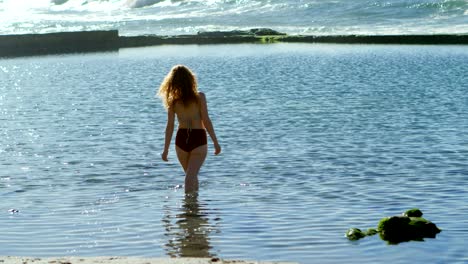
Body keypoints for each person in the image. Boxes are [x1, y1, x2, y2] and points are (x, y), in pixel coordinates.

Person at [158, 65, 221, 193]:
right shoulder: (197, 97)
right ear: (191, 80)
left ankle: (192, 208)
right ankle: (191, 209)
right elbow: (206, 120)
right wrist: (215, 141)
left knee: (190, 176)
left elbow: (170, 126)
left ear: (172, 82)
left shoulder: (176, 101)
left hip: (183, 139)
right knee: (190, 177)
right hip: (195, 138)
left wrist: (166, 149)